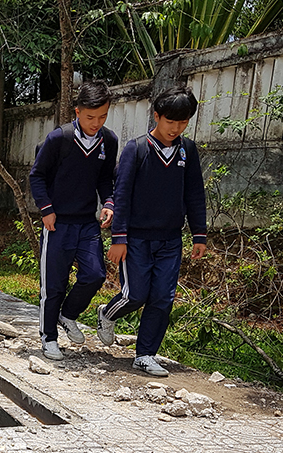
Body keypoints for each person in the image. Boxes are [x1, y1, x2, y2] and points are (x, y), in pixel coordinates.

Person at [96, 85, 207, 377]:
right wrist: (118, 239)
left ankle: (145, 354)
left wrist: (199, 234)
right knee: (136, 295)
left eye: (183, 122)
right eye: (171, 121)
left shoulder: (188, 151)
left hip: (170, 240)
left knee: (162, 298)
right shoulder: (137, 149)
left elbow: (195, 193)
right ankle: (107, 313)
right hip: (136, 239)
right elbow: (121, 193)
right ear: (157, 116)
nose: (176, 128)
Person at [28, 81, 118, 360]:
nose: (96, 123)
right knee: (53, 284)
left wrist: (110, 203)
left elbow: (105, 178)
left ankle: (68, 314)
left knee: (95, 274)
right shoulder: (59, 139)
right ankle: (48, 337)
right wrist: (46, 209)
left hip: (87, 223)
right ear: (77, 111)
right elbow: (37, 176)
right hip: (56, 224)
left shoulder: (109, 141)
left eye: (102, 116)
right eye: (90, 117)